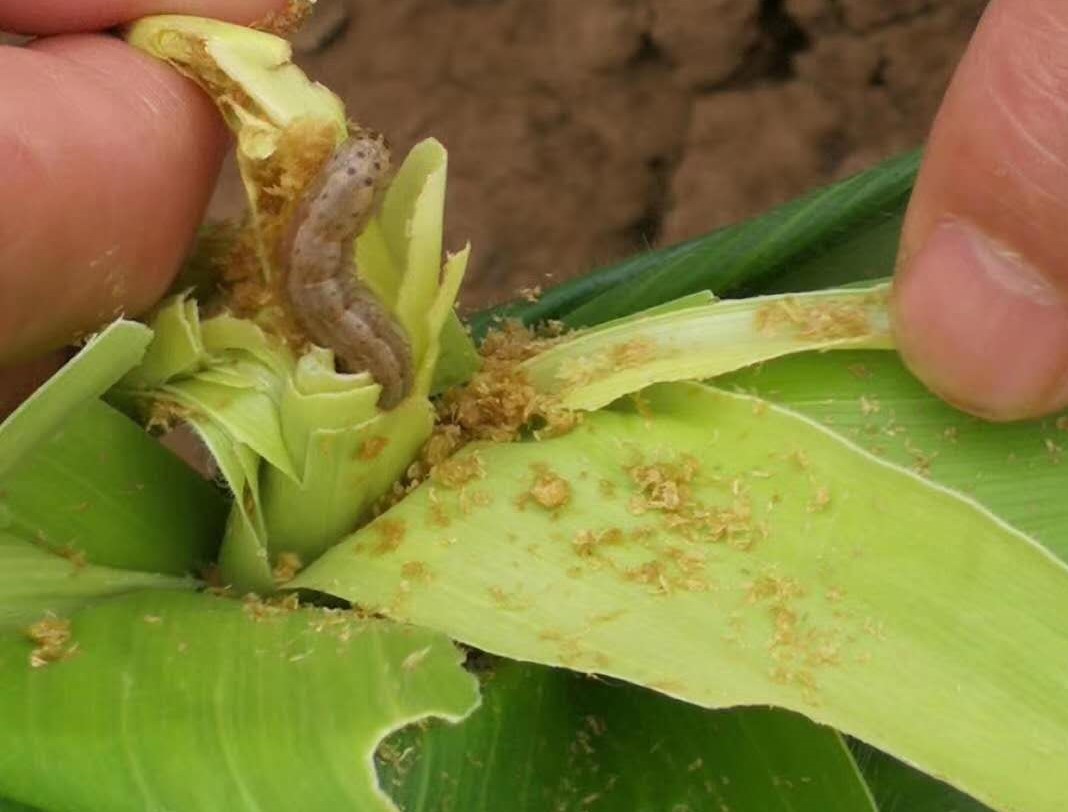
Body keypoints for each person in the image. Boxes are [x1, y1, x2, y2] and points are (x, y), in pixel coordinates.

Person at [1, 0, 1065, 422]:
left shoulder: (328, 259)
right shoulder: (322, 267)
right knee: (328, 295)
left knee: (333, 298)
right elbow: (316, 276)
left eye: (360, 176)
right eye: (358, 175)